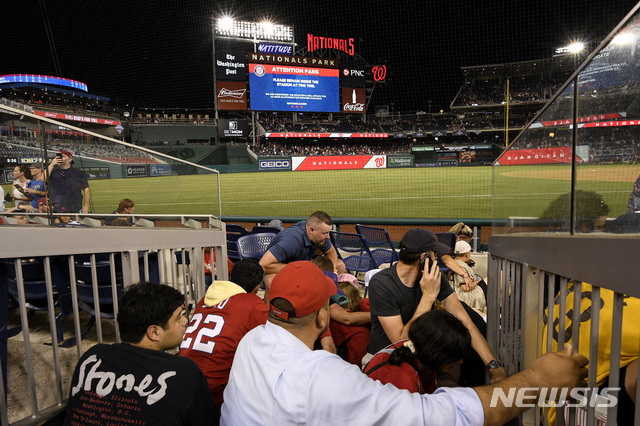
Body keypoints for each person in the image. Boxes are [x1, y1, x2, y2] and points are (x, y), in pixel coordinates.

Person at [221, 261, 589, 426]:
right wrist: (540, 380)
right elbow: (442, 417)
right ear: (322, 317)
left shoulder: (254, 341)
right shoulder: (322, 378)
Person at [367, 228, 507, 386]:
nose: (437, 258)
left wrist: (494, 366)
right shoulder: (381, 283)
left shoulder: (434, 278)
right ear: (424, 258)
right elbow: (400, 341)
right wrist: (428, 297)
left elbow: (466, 322)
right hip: (388, 361)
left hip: (422, 357)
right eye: (434, 254)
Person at [64, 282, 218, 425]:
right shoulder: (184, 372)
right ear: (154, 332)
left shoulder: (92, 356)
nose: (185, 321)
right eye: (179, 317)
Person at [179, 260, 268, 408]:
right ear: (257, 287)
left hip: (182, 377)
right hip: (214, 390)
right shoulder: (253, 303)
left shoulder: (204, 300)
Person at [363, 310, 471, 393]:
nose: (460, 361)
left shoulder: (422, 354)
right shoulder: (403, 383)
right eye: (455, 355)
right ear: (437, 354)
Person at [259, 211, 345, 299]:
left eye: (328, 232)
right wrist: (300, 269)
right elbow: (263, 265)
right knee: (271, 281)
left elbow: (331, 252)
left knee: (339, 265)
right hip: (276, 272)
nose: (328, 237)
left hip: (303, 266)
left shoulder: (319, 234)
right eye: (324, 233)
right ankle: (269, 311)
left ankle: (322, 302)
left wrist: (331, 271)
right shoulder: (292, 240)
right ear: (312, 230)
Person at [450, 240, 487, 314]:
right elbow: (465, 288)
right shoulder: (461, 267)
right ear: (467, 254)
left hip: (454, 293)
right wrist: (477, 281)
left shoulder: (455, 262)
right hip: (463, 296)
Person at [441, 222, 478, 292]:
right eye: (466, 242)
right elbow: (447, 261)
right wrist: (465, 275)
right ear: (459, 237)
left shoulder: (452, 244)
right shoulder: (445, 245)